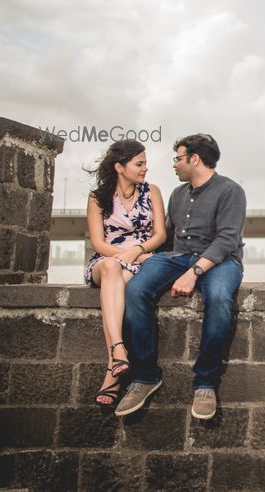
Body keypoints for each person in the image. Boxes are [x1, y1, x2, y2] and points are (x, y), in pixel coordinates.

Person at [116, 133, 246, 420]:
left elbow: (226, 240)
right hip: (178, 257)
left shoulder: (230, 191)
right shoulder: (179, 194)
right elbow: (169, 237)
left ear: (195, 159)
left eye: (178, 158)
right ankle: (146, 376)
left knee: (220, 299)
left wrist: (195, 272)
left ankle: (205, 382)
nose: (174, 165)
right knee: (136, 290)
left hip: (220, 261)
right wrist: (142, 254)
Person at [85, 139, 167, 406]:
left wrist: (138, 252)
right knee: (111, 268)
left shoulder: (151, 191)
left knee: (118, 278)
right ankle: (118, 350)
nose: (145, 168)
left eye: (145, 163)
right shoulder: (98, 198)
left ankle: (114, 367)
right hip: (106, 259)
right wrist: (124, 255)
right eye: (139, 163)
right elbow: (98, 243)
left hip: (140, 258)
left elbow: (160, 235)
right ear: (120, 167)